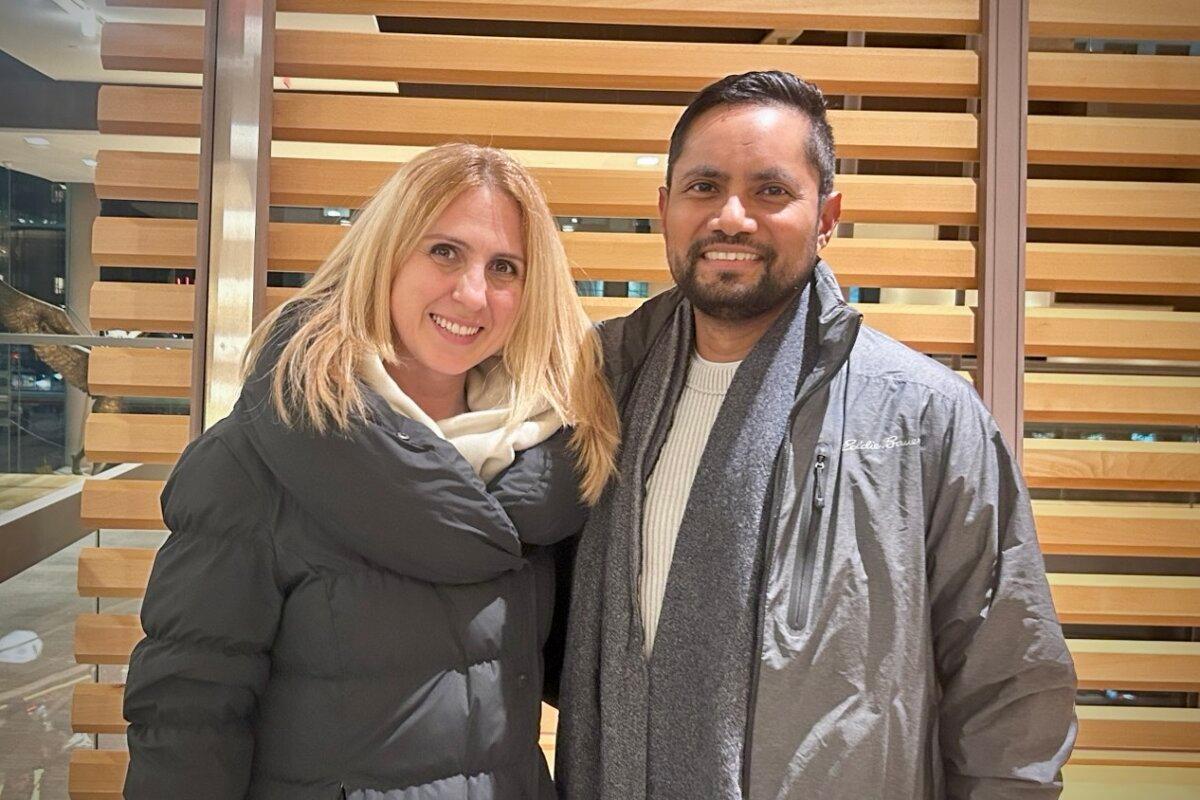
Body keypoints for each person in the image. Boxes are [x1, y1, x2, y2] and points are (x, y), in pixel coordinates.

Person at [554, 71, 1077, 799]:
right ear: (665, 207)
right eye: (704, 187)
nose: (731, 217)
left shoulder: (921, 415)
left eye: (770, 191)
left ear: (827, 215)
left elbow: (1009, 681)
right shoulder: (599, 387)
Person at [122, 143, 618, 800]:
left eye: (504, 267)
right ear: (385, 255)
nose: (473, 293)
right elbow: (187, 721)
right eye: (444, 251)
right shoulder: (254, 466)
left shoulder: (545, 461)